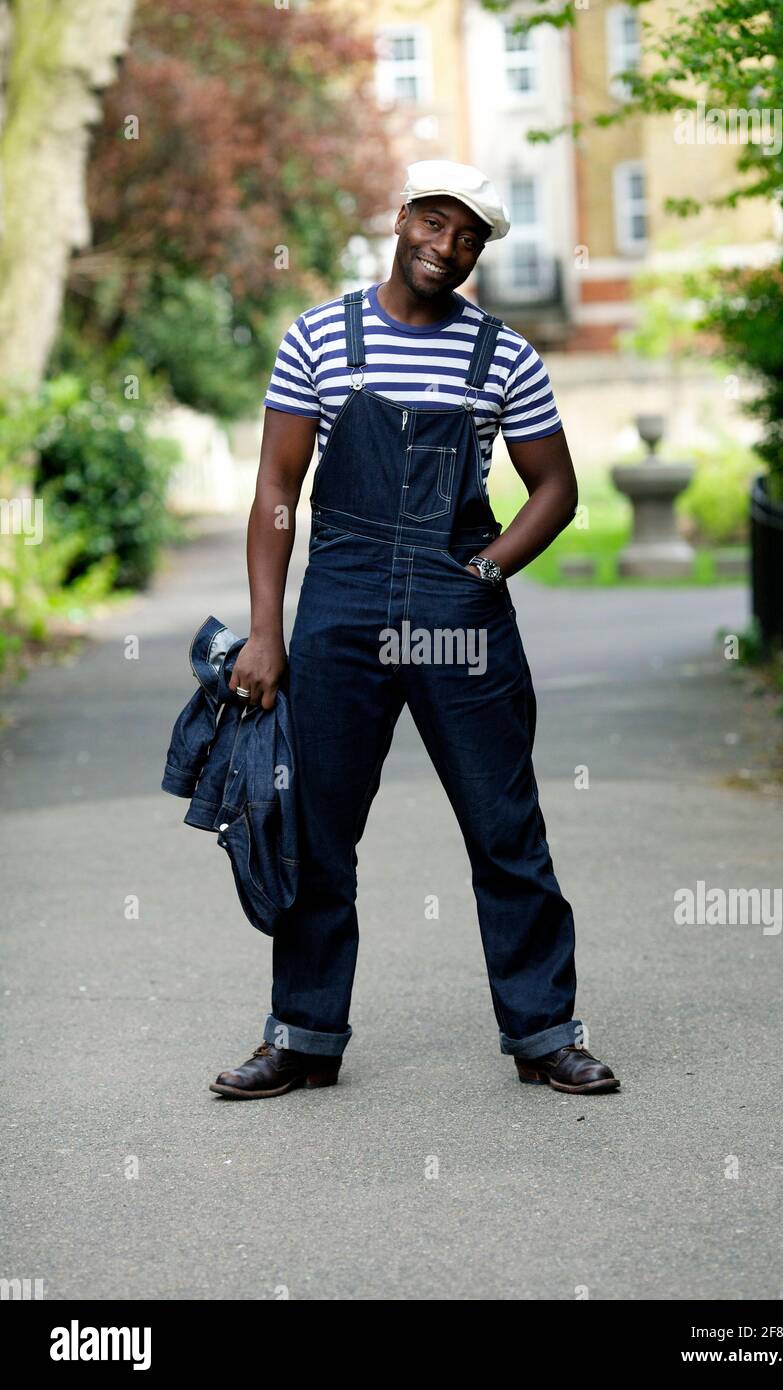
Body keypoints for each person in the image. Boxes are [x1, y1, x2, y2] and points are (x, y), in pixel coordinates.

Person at [210, 160, 620, 1100]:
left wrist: (484, 571)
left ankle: (545, 1033)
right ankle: (305, 1036)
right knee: (316, 829)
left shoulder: (503, 353)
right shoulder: (319, 335)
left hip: (455, 609)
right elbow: (276, 492)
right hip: (343, 603)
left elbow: (554, 489)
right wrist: (264, 633)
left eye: (469, 237)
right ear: (402, 219)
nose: (448, 248)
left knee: (503, 823)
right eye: (435, 224)